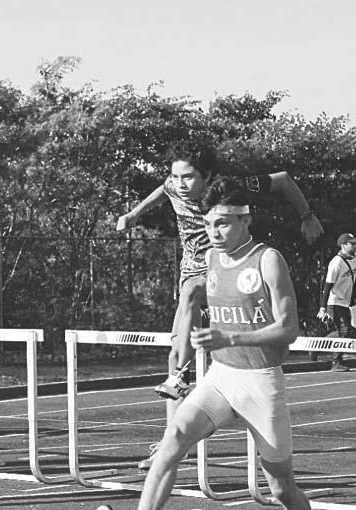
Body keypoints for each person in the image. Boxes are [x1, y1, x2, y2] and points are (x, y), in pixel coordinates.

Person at [94, 179, 327, 510]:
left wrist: (231, 337)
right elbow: (194, 295)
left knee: (281, 487)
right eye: (207, 224)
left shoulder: (268, 260)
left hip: (260, 383)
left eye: (222, 223)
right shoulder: (212, 258)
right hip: (220, 377)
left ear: (245, 220)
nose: (213, 232)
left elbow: (289, 330)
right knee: (173, 438)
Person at [116, 143, 323, 469]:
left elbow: (283, 179)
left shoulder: (232, 189)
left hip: (227, 271)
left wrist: (307, 216)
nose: (180, 184)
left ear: (208, 176)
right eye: (175, 177)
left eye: (188, 178)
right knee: (175, 352)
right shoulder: (174, 184)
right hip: (193, 272)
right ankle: (172, 432)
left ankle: (194, 381)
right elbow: (162, 190)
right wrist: (133, 214)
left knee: (200, 306)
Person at [316, 233, 356, 372]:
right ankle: (336, 362)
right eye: (352, 244)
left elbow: (354, 280)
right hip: (334, 301)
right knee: (345, 330)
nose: (355, 246)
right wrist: (323, 308)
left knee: (345, 330)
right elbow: (327, 286)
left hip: (346, 301)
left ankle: (317, 346)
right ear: (343, 245)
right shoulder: (336, 263)